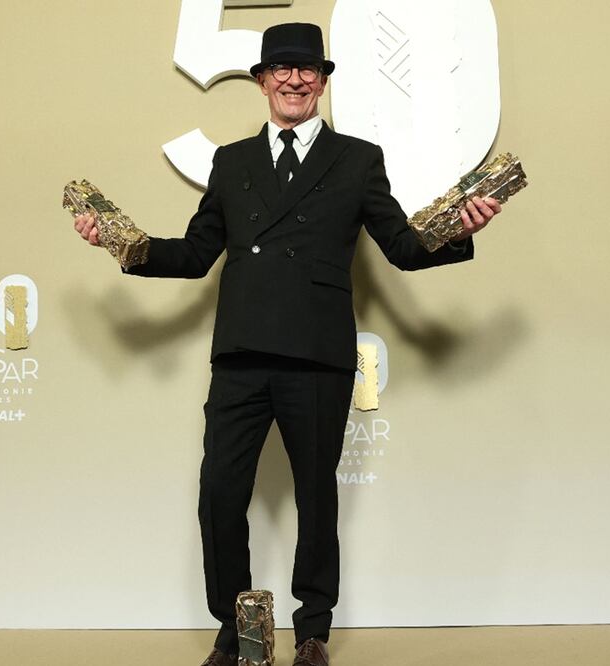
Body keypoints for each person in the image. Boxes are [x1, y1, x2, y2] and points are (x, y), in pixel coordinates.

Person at [73, 22, 502, 666]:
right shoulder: (232, 161)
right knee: (219, 492)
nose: (295, 79)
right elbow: (194, 256)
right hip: (242, 353)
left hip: (317, 356)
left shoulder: (358, 159)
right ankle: (234, 630)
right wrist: (118, 241)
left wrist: (457, 230)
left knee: (316, 494)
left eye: (308, 71)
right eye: (282, 70)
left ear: (324, 82)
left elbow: (404, 249)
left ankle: (312, 633)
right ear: (262, 82)